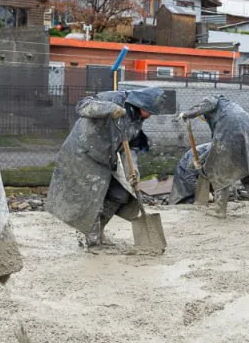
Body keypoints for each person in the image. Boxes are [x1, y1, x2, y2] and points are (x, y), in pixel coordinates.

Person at [46, 86, 165, 249]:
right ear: (141, 104)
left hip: (106, 159)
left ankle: (99, 229)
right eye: (149, 111)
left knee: (121, 194)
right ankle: (91, 238)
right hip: (83, 153)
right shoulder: (113, 99)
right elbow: (82, 106)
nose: (150, 116)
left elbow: (129, 149)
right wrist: (109, 109)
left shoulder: (137, 120)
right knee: (91, 199)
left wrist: (133, 169)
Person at [176, 95, 249, 217]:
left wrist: (187, 114)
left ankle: (220, 210)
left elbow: (206, 104)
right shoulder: (233, 108)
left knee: (220, 171)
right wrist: (202, 160)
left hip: (230, 131)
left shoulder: (214, 99)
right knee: (248, 168)